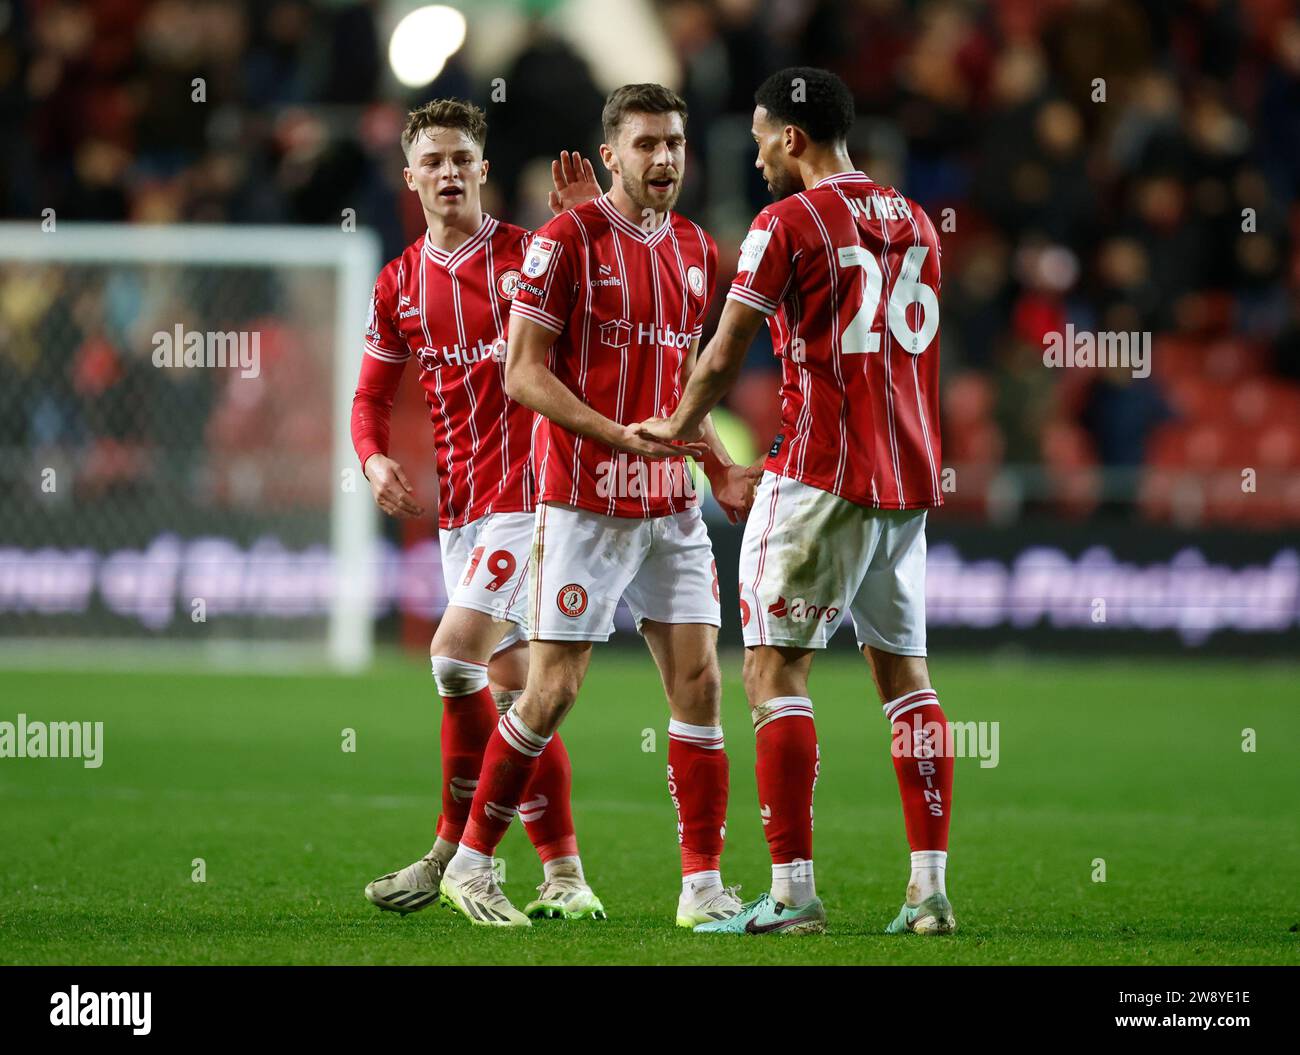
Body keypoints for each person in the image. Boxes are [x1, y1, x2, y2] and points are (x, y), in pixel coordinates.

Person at [635, 67, 955, 936]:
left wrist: (677, 426)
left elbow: (725, 351)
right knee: (907, 680)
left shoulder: (787, 222)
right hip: (908, 483)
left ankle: (792, 890)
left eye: (761, 135)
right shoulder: (916, 218)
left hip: (818, 474)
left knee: (775, 670)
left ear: (793, 138)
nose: (755, 151)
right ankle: (928, 890)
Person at [437, 84, 758, 929]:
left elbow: (686, 379)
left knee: (699, 684)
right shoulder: (563, 240)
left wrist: (717, 465)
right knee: (550, 694)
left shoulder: (695, 247)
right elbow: (522, 372)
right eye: (646, 144)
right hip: (581, 502)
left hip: (671, 507)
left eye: (676, 143)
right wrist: (616, 434)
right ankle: (471, 865)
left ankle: (702, 890)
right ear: (611, 155)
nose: (665, 159)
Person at [351, 99, 606, 920]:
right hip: (460, 511)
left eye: (463, 157)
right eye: (434, 161)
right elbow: (368, 396)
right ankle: (564, 874)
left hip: (531, 499)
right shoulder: (398, 283)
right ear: (411, 177)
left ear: (483, 169)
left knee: (452, 652)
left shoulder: (531, 258)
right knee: (518, 689)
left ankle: (454, 856)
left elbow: (610, 321)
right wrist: (374, 455)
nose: (449, 172)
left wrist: (587, 230)